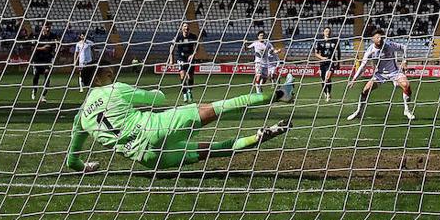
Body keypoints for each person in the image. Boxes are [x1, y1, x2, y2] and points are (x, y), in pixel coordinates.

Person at [65, 65, 294, 173]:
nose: (110, 74)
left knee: (211, 150)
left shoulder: (80, 118)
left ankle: (259, 136)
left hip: (147, 157)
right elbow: (159, 99)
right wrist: (150, 93)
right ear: (97, 80)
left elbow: (72, 161)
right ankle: (281, 95)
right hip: (155, 128)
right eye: (106, 73)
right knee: (216, 108)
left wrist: (86, 167)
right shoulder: (115, 89)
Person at [347, 29, 414, 122]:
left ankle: (407, 110)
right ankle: (359, 111)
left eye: (381, 37)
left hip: (395, 72)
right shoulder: (370, 51)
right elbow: (362, 66)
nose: (380, 39)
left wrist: (405, 61)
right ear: (372, 39)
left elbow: (404, 47)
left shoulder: (390, 45)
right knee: (366, 89)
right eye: (377, 37)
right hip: (380, 75)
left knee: (406, 85)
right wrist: (354, 79)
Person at [168, 22, 198, 102]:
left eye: (187, 27)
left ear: (189, 29)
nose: (186, 28)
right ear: (182, 28)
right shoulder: (178, 37)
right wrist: (171, 60)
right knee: (182, 75)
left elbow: (197, 47)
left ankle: (189, 90)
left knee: (190, 76)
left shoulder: (193, 37)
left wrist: (193, 54)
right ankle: (184, 94)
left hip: (190, 58)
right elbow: (171, 47)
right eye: (184, 26)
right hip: (181, 57)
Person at [30, 22, 58, 102]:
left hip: (47, 59)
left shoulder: (53, 36)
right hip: (37, 59)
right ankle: (34, 90)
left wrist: (56, 48)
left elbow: (56, 44)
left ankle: (43, 96)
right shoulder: (36, 36)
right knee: (36, 76)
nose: (48, 29)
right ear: (42, 27)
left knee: (47, 75)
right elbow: (32, 48)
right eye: (46, 27)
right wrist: (43, 48)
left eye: (49, 27)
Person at [313, 25, 341, 102]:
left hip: (331, 62)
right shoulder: (319, 41)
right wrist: (322, 58)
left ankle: (329, 93)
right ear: (323, 32)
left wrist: (338, 62)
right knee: (323, 79)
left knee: (327, 78)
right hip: (322, 63)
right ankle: (326, 93)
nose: (327, 33)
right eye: (326, 31)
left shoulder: (334, 41)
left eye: (329, 31)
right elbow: (316, 53)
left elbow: (338, 52)